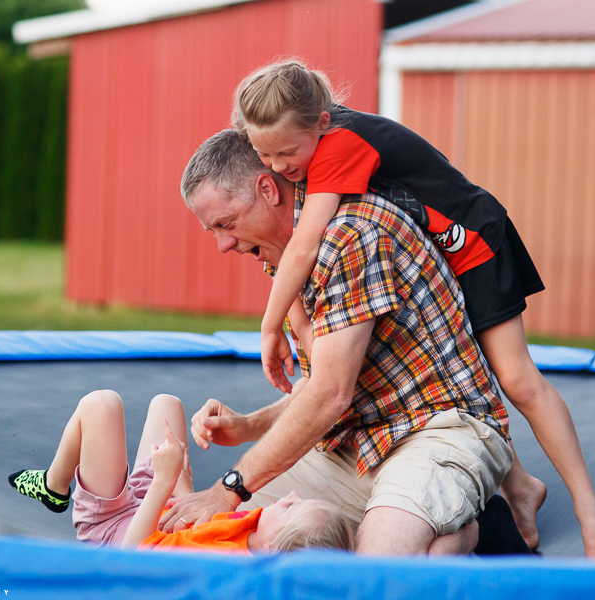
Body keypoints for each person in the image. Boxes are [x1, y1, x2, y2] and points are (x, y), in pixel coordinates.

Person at [231, 60, 595, 558]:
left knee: (518, 380)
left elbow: (304, 248)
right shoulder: (306, 147)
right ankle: (520, 487)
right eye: (265, 155)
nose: (279, 166)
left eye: (286, 153)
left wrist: (269, 326)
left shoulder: (338, 145)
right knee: (456, 366)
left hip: (474, 242)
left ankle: (593, 516)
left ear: (322, 123)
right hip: (436, 247)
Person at [161, 129, 514, 556]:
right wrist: (250, 426)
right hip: (354, 443)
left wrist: (229, 487)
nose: (223, 244)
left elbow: (330, 393)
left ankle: (467, 528)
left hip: (436, 430)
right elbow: (325, 381)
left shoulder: (351, 237)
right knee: (238, 540)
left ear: (268, 189)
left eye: (226, 223)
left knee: (376, 566)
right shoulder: (287, 255)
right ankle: (432, 530)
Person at [8, 390, 355, 553]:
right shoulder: (255, 528)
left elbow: (131, 557)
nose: (291, 496)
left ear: (274, 544)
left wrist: (164, 482)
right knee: (166, 403)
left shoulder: (220, 558)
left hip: (115, 530)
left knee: (101, 405)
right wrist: (183, 486)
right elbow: (193, 523)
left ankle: (54, 486)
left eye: (293, 507)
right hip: (160, 508)